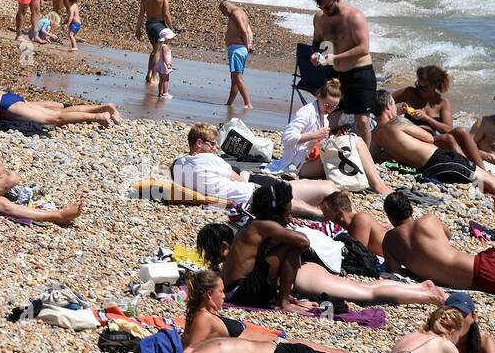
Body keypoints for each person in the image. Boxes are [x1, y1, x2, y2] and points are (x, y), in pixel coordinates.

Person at [198, 182, 445, 314]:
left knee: (365, 290)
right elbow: (300, 244)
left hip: (298, 277)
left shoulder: (257, 228)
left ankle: (423, 291)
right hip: (278, 281)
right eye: (287, 207)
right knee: (365, 290)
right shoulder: (264, 227)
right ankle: (424, 292)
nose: (289, 212)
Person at [382, 192, 495, 302]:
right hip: (485, 267)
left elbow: (396, 274)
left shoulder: (389, 241)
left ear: (390, 217)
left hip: (480, 286)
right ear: (411, 209)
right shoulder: (428, 220)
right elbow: (448, 235)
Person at [181, 270, 356, 353]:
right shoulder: (203, 318)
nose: (225, 296)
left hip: (276, 344)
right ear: (208, 294)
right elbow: (192, 350)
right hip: (274, 349)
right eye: (221, 291)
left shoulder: (203, 315)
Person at [173, 124, 337, 215]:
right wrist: (244, 174)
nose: (216, 148)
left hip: (239, 194)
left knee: (307, 191)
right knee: (324, 189)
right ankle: (321, 214)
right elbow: (239, 180)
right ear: (199, 143)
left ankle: (322, 208)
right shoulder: (210, 159)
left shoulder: (179, 164)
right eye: (212, 143)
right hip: (250, 192)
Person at [268, 78, 392, 194]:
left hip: (312, 159)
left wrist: (336, 136)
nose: (329, 110)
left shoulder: (323, 114)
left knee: (351, 140)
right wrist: (315, 135)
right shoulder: (307, 112)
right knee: (356, 140)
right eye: (326, 105)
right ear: (318, 96)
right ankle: (378, 185)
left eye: (333, 107)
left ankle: (376, 182)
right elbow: (286, 137)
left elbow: (319, 143)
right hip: (299, 165)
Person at [372, 91, 495, 194]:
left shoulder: (376, 134)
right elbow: (429, 138)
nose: (396, 108)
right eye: (394, 104)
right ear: (388, 105)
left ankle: (484, 194)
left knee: (479, 181)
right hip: (440, 160)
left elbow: (375, 156)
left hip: (429, 170)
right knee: (487, 178)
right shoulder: (397, 122)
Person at [311, 0, 377, 147]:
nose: (325, 11)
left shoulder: (354, 17)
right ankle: (329, 149)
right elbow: (317, 41)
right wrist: (315, 54)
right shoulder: (319, 18)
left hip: (360, 73)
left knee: (361, 119)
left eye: (328, 7)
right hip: (336, 73)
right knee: (328, 113)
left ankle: (366, 155)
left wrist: (336, 56)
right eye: (322, 7)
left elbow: (364, 47)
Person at [392, 65, 483, 165]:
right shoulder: (409, 93)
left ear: (434, 86)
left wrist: (426, 118)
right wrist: (398, 110)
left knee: (462, 132)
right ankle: (469, 169)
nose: (419, 90)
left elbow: (447, 129)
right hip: (411, 138)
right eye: (418, 85)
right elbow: (384, 102)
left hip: (431, 139)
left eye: (424, 88)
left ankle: (482, 170)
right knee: (449, 139)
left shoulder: (442, 102)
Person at [136, 0, 172, 84]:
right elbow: (166, 13)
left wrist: (137, 30)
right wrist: (171, 27)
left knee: (154, 50)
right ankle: (153, 77)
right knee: (157, 51)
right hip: (159, 25)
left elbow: (141, 14)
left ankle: (149, 73)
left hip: (149, 25)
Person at [218, 0, 254, 109]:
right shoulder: (242, 12)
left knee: (237, 77)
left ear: (225, 8)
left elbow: (243, 31)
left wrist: (247, 45)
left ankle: (248, 103)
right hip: (239, 48)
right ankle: (229, 103)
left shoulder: (235, 13)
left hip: (237, 49)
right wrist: (250, 43)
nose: (224, 15)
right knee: (234, 79)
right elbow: (249, 30)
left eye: (223, 12)